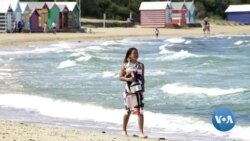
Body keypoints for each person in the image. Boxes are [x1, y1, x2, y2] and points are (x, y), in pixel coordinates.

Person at [119, 47, 147, 138]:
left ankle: (141, 132)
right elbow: (120, 77)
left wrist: (143, 88)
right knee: (128, 111)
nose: (137, 55)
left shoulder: (141, 65)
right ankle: (124, 130)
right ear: (129, 55)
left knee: (140, 112)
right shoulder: (125, 65)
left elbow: (143, 78)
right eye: (134, 53)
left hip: (139, 92)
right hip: (129, 92)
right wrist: (129, 79)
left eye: (137, 53)